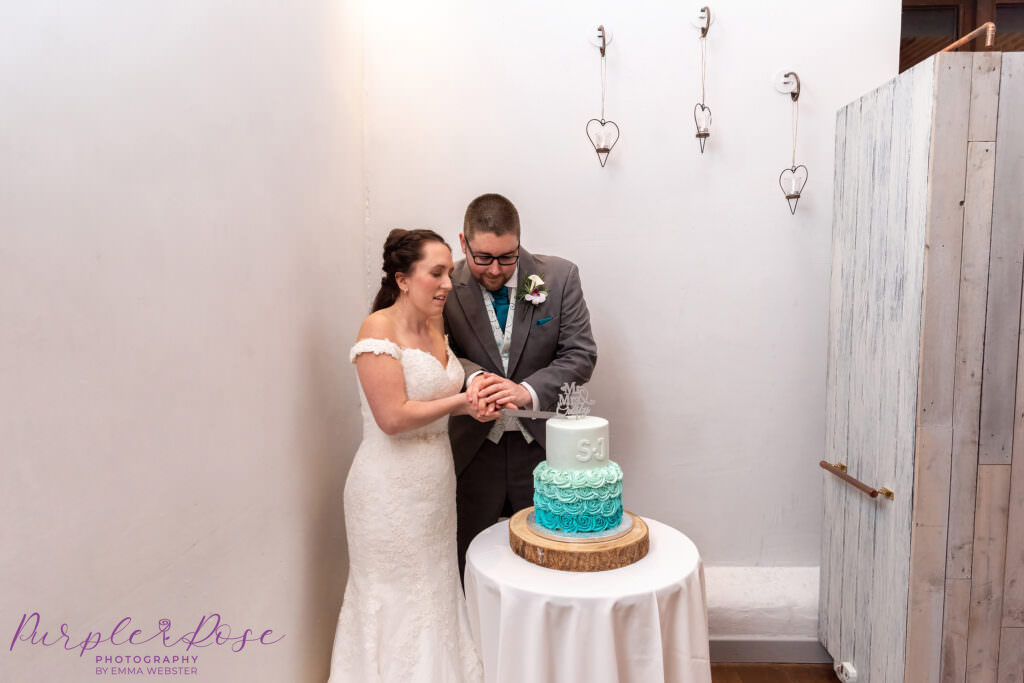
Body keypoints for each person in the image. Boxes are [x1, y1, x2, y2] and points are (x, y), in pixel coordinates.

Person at [328, 229, 486, 683]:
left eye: (448, 273)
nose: (446, 284)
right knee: (393, 596)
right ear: (402, 279)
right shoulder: (377, 327)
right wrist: (459, 404)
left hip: (435, 483)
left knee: (435, 591)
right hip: (386, 491)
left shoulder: (435, 324)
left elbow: (443, 385)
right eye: (435, 273)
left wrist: (475, 390)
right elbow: (392, 417)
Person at [444, 193, 598, 579]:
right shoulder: (444, 285)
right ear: (463, 243)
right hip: (473, 453)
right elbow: (438, 351)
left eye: (507, 257)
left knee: (548, 566)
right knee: (471, 568)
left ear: (519, 240)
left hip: (544, 452)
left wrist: (526, 391)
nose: (496, 269)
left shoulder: (560, 278)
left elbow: (580, 355)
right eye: (483, 258)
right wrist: (474, 379)